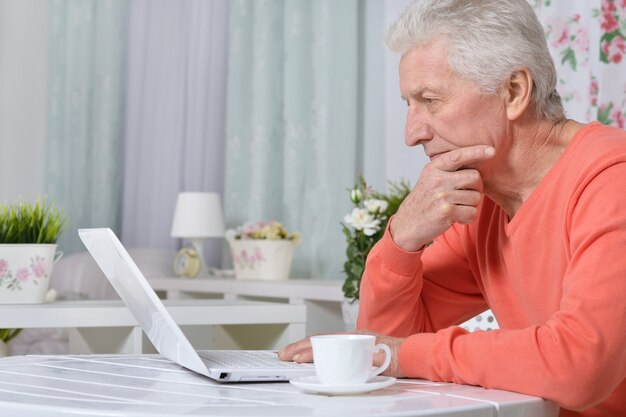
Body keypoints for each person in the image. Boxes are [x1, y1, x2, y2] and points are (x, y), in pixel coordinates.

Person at [278, 1, 626, 416]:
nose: (412, 134)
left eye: (429, 100)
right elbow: (386, 346)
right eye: (409, 104)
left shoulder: (611, 180)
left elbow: (579, 365)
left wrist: (403, 354)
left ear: (514, 91)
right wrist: (402, 238)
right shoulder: (482, 202)